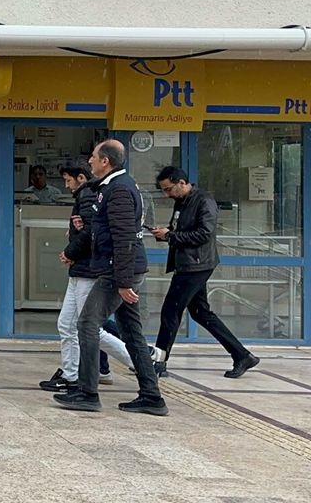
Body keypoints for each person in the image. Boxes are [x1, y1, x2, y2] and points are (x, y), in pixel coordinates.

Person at [55, 139, 168, 416]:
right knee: (131, 332)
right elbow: (104, 228)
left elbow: (124, 237)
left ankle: (87, 392)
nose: (89, 160)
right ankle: (152, 396)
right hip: (121, 269)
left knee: (87, 323)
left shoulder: (119, 190)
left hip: (117, 271)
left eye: (93, 156)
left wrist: (123, 282)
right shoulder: (112, 186)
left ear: (105, 161)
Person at [150, 167, 260, 379]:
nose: (167, 194)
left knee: (170, 311)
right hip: (188, 263)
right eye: (164, 190)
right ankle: (242, 355)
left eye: (169, 189)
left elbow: (204, 233)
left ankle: (159, 362)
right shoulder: (181, 201)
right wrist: (165, 233)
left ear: (182, 182)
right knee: (200, 313)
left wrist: (171, 236)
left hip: (197, 265)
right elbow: (179, 229)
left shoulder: (204, 201)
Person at [40, 160, 133, 392]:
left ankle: (142, 361)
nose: (66, 185)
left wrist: (70, 251)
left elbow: (92, 232)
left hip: (88, 271)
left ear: (80, 178)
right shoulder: (87, 195)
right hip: (81, 270)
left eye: (68, 180)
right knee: (67, 325)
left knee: (89, 327)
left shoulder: (89, 195)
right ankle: (71, 375)